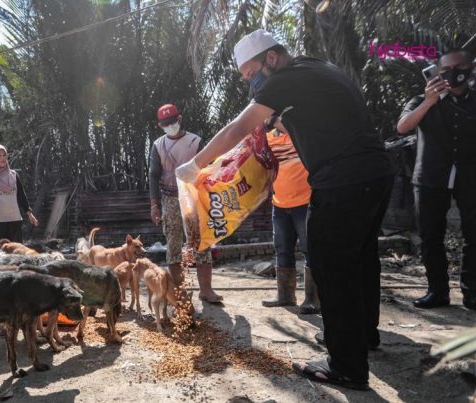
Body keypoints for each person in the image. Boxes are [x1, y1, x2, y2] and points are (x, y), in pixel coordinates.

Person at [175, 29, 393, 391]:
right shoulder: (317, 69)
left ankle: (346, 365)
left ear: (270, 59)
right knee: (361, 260)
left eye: (250, 74)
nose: (250, 82)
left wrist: (196, 165)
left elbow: (238, 127)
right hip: (375, 174)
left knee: (331, 266)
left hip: (341, 180)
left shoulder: (286, 79)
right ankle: (361, 338)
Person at [397, 48, 476, 310]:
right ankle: (437, 291)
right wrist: (429, 101)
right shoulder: (421, 100)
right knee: (431, 237)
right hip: (430, 177)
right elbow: (403, 127)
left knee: (473, 236)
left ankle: (472, 292)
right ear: (436, 74)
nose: (454, 74)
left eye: (460, 67)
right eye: (446, 71)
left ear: (470, 68)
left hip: (470, 177)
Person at [149, 104, 222, 304]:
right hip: (170, 199)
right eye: (166, 124)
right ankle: (179, 292)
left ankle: (206, 290)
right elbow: (154, 176)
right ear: (160, 125)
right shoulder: (158, 145)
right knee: (173, 244)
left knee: (201, 243)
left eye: (173, 121)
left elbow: (209, 169)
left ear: (179, 119)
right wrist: (154, 205)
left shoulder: (195, 141)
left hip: (194, 197)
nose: (170, 126)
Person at [262, 120, 319, 314]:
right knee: (282, 249)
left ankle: (313, 299)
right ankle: (285, 296)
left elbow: (309, 141)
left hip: (305, 201)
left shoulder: (301, 132)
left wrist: (278, 121)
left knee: (310, 249)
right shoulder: (268, 139)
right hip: (280, 204)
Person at [0, 144, 38, 244]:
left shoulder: (14, 175)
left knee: (16, 252)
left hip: (14, 220)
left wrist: (30, 214)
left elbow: (21, 196)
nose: (2, 158)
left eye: (4, 155)